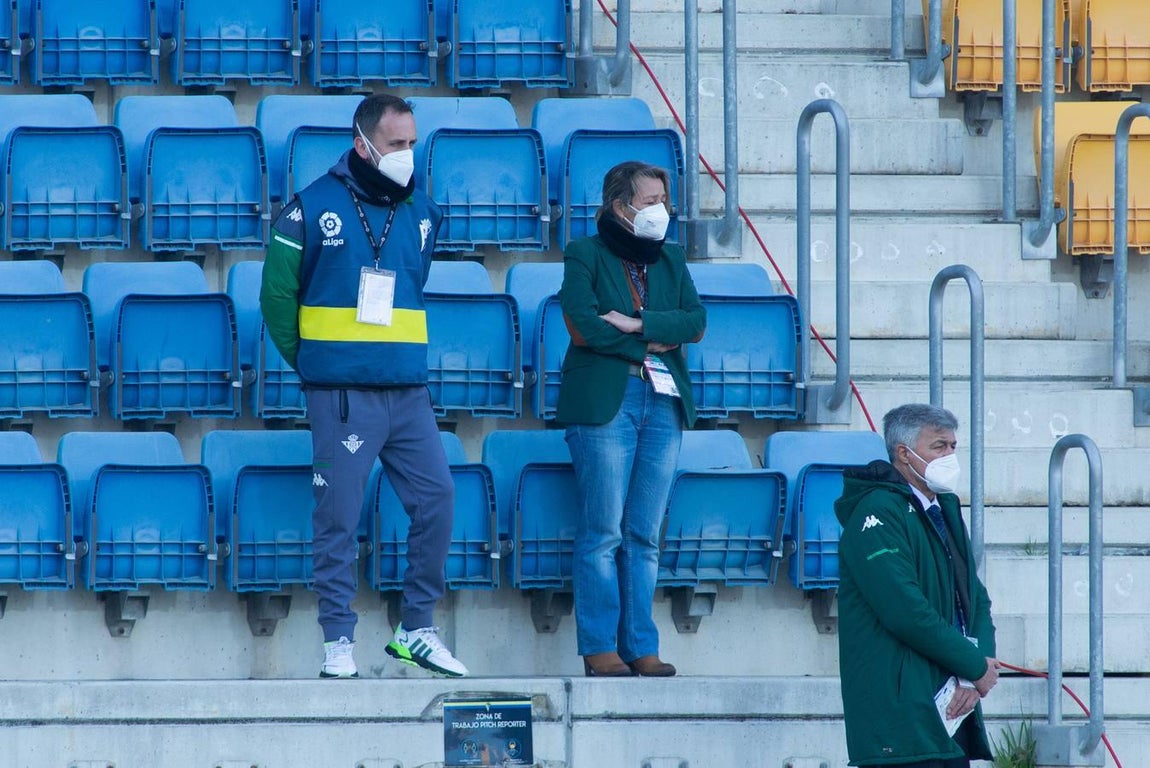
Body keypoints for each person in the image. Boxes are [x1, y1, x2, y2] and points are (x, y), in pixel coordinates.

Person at [260, 93, 468, 679]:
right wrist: (317, 365)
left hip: (408, 392)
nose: (407, 153)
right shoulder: (308, 208)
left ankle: (416, 628)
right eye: (397, 143)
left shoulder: (424, 213)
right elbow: (277, 299)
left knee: (439, 502)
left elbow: (412, 283)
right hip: (341, 396)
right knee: (339, 519)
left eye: (411, 142)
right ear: (363, 143)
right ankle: (337, 641)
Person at [557, 160, 706, 677]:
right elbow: (582, 325)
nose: (660, 211)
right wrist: (655, 339)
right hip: (606, 402)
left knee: (644, 533)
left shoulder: (671, 259)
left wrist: (637, 321)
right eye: (649, 201)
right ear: (619, 206)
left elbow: (696, 320)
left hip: (663, 403)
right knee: (603, 531)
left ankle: (641, 644)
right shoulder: (584, 253)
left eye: (664, 201)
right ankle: (599, 646)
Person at [835, 403, 999, 767]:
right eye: (938, 447)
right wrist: (973, 665)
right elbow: (904, 610)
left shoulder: (944, 509)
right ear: (903, 454)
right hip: (899, 723)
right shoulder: (876, 512)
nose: (949, 456)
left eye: (953, 446)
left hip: (949, 712)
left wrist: (975, 672)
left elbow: (975, 599)